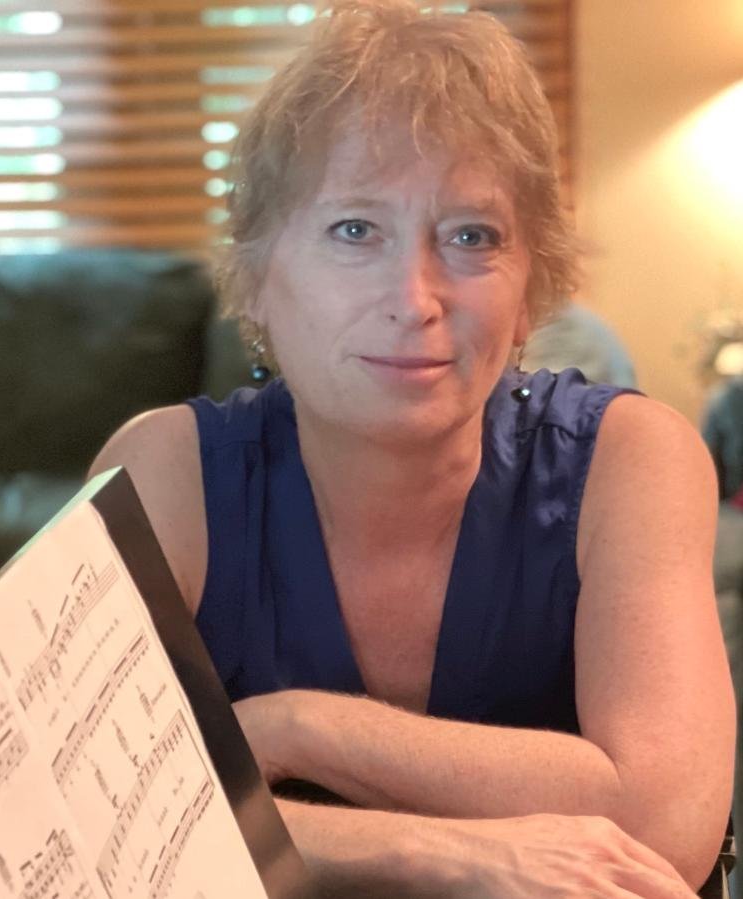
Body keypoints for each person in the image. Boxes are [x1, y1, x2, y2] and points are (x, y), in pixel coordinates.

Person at [89, 1, 734, 894]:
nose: (415, 297)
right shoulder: (164, 475)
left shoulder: (630, 459)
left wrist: (291, 730)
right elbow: (93, 809)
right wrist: (446, 848)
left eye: (471, 236)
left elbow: (665, 828)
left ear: (532, 288)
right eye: (355, 230)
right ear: (258, 276)